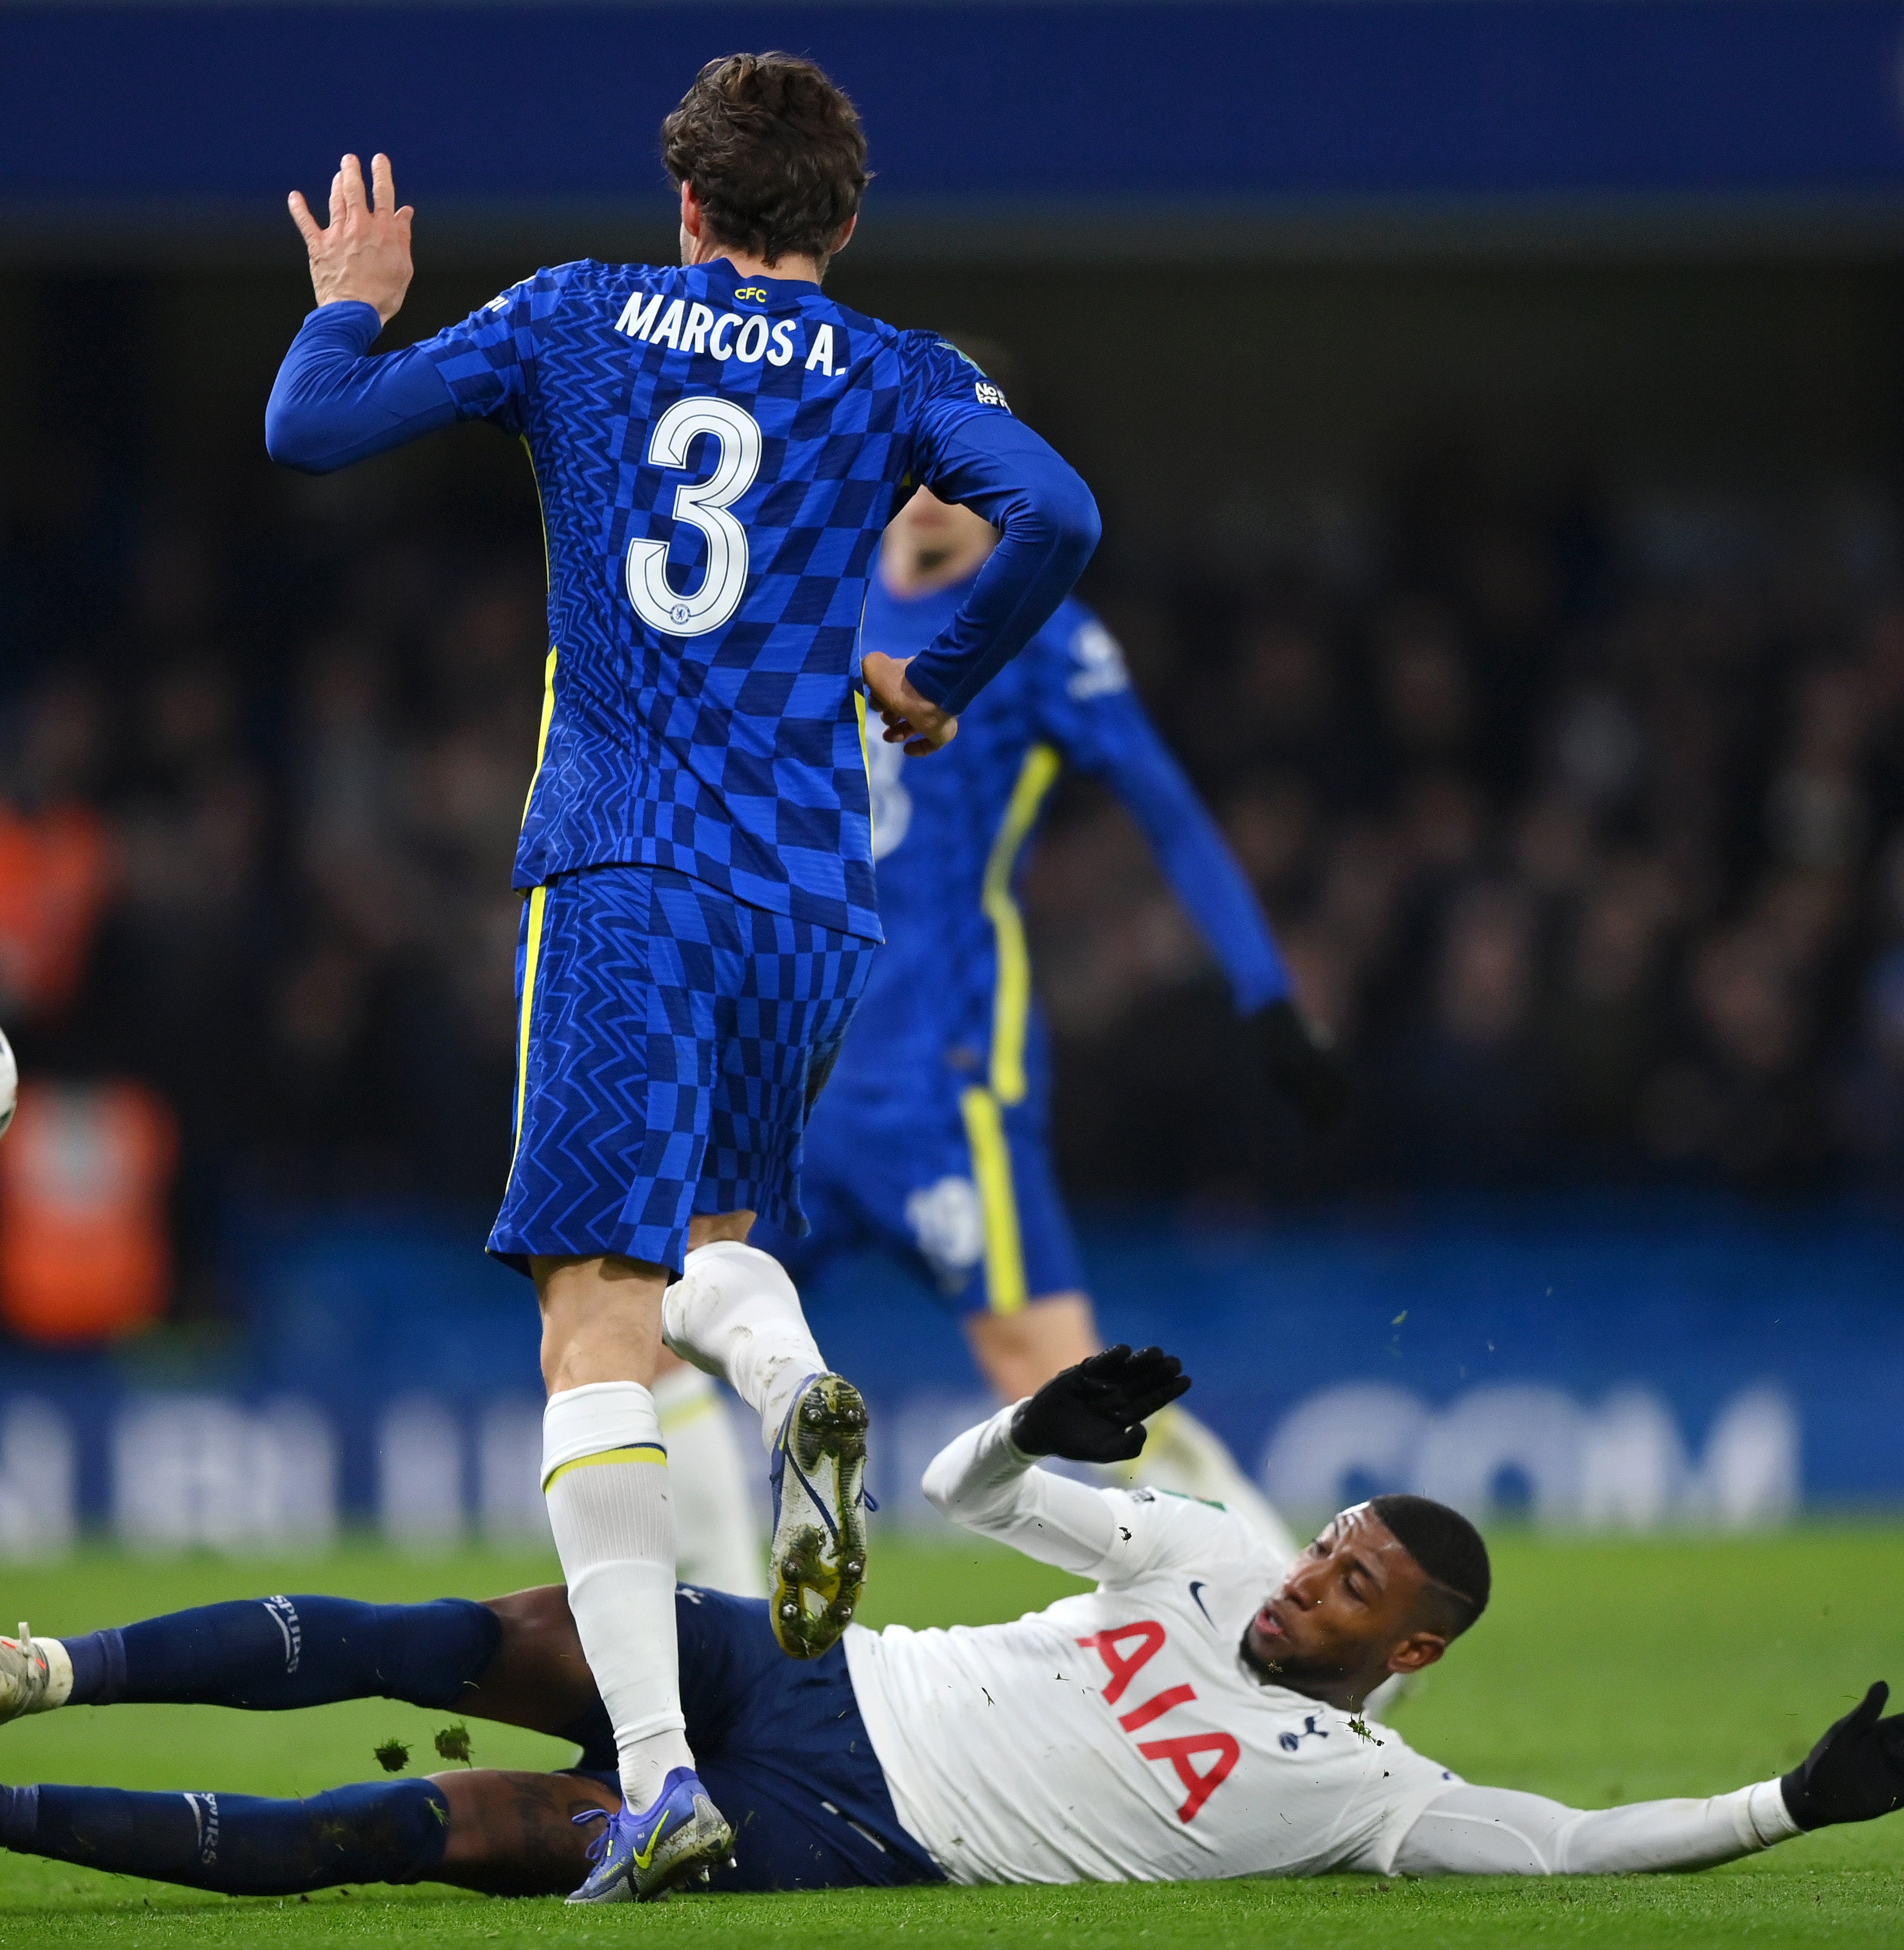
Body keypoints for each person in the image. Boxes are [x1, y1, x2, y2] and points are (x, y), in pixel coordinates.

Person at [258, 52, 1100, 1899]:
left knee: (592, 1316)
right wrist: (939, 670)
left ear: (691, 207)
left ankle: (655, 1774)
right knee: (715, 1240)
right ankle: (794, 1373)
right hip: (809, 891)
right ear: (847, 221)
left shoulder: (572, 312)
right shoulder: (895, 371)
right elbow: (1062, 515)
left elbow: (311, 436)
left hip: (629, 866)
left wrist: (344, 309)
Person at [0, 1349, 1904, 1897]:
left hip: (851, 1828)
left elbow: (1581, 1844)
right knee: (449, 1628)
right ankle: (42, 1665)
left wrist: (1792, 1799)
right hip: (817, 1667)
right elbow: (952, 1498)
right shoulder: (1200, 1553)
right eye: (1323, 1547)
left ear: (1406, 1651)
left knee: (413, 1837)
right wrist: (1038, 1430)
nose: (1306, 1583)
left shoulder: (1372, 1799)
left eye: (1354, 1594)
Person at [657, 451, 1349, 1586]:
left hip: (946, 1079)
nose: (934, 495)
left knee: (1054, 1369)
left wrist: (1266, 994)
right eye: (917, 466)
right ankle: (725, 1654)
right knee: (659, 1333)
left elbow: (1168, 814)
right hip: (783, 1075)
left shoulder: (1040, 634)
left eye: (965, 479)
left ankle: (1297, 1611)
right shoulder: (801, 596)